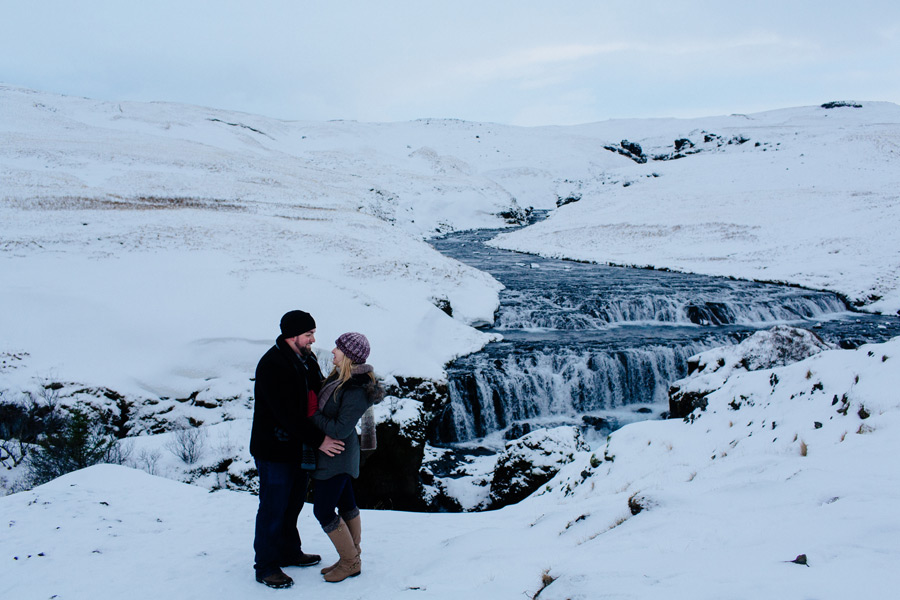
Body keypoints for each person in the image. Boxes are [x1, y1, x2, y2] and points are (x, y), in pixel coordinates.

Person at [250, 310, 345, 589]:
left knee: (293, 503)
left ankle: (289, 551)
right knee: (272, 507)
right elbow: (286, 415)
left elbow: (320, 390)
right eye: (308, 334)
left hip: (297, 447)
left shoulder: (306, 358)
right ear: (292, 336)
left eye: (313, 333)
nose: (313, 339)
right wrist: (320, 441)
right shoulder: (272, 365)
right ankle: (266, 566)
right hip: (274, 450)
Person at [311, 332, 384, 583]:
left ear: (349, 356)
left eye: (338, 348)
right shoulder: (340, 379)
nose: (333, 351)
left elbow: (340, 430)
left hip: (337, 457)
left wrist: (311, 414)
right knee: (346, 504)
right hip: (336, 455)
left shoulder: (354, 388)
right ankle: (351, 557)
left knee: (322, 509)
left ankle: (350, 561)